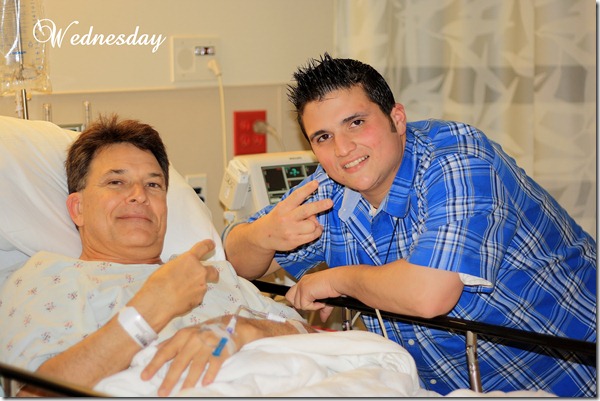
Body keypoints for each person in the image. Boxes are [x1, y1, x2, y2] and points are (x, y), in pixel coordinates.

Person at [224, 53, 597, 397]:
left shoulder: (458, 161)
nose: (342, 149)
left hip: (577, 374)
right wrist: (262, 235)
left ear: (397, 119)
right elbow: (233, 262)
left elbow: (429, 295)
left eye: (356, 123)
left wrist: (336, 280)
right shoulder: (330, 189)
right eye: (324, 137)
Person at [0, 115, 313, 397]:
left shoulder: (212, 272)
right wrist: (147, 313)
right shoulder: (49, 277)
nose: (139, 195)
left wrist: (249, 329)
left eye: (153, 184)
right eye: (116, 182)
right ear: (77, 208)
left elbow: (316, 339)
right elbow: (33, 395)